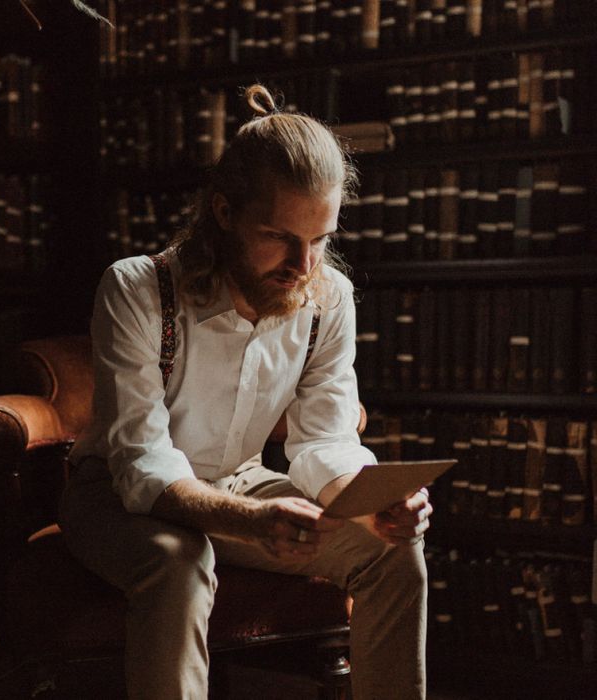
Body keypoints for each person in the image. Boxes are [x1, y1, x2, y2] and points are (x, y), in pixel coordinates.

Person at [60, 84, 432, 700]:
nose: (303, 264)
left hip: (242, 482)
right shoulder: (137, 288)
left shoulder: (328, 299)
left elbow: (327, 439)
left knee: (392, 552)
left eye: (320, 240)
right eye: (280, 236)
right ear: (223, 211)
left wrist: (373, 504)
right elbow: (141, 463)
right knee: (178, 564)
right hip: (115, 499)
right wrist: (250, 521)